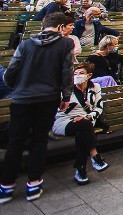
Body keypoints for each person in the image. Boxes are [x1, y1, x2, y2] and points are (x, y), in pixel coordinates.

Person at [0, 12, 76, 204]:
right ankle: (33, 183)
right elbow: (67, 71)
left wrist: (18, 88)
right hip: (47, 98)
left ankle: (7, 186)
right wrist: (66, 95)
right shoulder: (65, 44)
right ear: (59, 27)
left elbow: (10, 73)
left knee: (15, 141)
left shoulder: (25, 44)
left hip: (22, 98)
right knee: (39, 140)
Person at [51, 62, 110, 185]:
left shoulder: (95, 87)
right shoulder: (66, 89)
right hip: (64, 121)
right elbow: (61, 110)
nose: (78, 75)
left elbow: (99, 108)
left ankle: (80, 170)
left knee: (82, 130)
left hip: (86, 121)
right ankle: (95, 157)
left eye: (81, 73)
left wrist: (86, 116)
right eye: (75, 73)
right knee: (84, 126)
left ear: (89, 75)